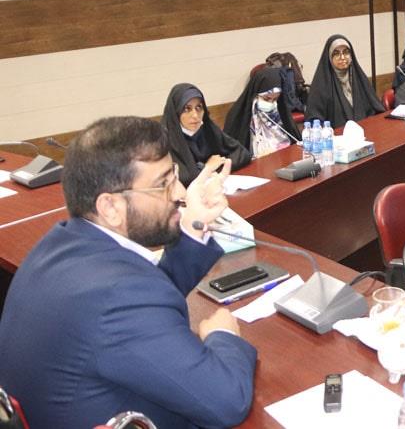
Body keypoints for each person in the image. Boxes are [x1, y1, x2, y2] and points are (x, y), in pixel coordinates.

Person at [0, 116, 256, 429]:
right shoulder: (119, 299)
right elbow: (227, 401)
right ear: (110, 207)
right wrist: (223, 336)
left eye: (175, 176)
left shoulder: (61, 243)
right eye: (163, 184)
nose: (180, 193)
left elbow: (145, 299)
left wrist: (193, 224)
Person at [161, 83, 250, 186]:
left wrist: (216, 167)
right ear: (176, 112)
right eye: (187, 109)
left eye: (199, 107)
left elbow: (242, 154)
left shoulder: (207, 129)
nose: (195, 115)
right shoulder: (164, 140)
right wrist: (207, 168)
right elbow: (182, 179)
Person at [306, 34, 384, 128]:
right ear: (329, 57)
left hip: (365, 131)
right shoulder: (320, 86)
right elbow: (314, 120)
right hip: (336, 135)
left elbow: (375, 110)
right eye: (336, 54)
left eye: (346, 52)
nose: (342, 57)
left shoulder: (360, 80)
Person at [224, 66, 301, 157]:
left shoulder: (280, 112)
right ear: (255, 95)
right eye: (266, 99)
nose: (271, 104)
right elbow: (233, 156)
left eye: (275, 99)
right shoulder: (238, 118)